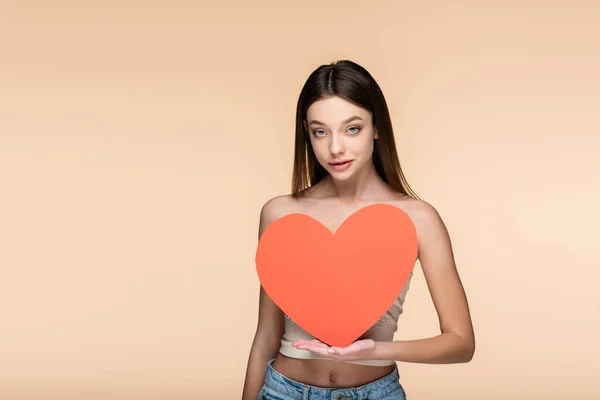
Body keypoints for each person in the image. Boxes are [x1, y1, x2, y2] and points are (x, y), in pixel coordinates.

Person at [241, 60, 475, 400]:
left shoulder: (419, 218)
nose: (335, 148)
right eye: (320, 131)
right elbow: (265, 337)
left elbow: (460, 343)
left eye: (352, 129)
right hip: (283, 392)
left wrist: (370, 351)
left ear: (377, 128)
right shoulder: (280, 214)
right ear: (306, 134)